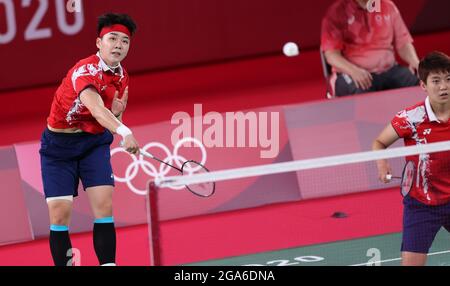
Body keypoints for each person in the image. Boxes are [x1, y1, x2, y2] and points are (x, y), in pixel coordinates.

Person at [39, 13, 139, 266]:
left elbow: (106, 115)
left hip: (93, 144)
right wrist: (124, 131)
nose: (118, 45)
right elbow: (95, 108)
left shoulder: (122, 76)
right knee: (60, 215)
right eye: (112, 38)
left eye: (124, 41)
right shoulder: (84, 71)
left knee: (104, 208)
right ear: (98, 43)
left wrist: (117, 114)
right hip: (58, 147)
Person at [372, 51, 450, 266]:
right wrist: (382, 164)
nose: (444, 86)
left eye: (448, 79)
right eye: (436, 81)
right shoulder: (410, 117)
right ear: (423, 85)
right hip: (422, 204)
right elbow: (379, 143)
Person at [321, 0, 420, 97]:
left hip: (389, 70)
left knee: (422, 84)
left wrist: (415, 62)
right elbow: (331, 55)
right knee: (363, 95)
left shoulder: (387, 6)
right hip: (353, 72)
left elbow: (403, 43)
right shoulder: (337, 12)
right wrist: (354, 71)